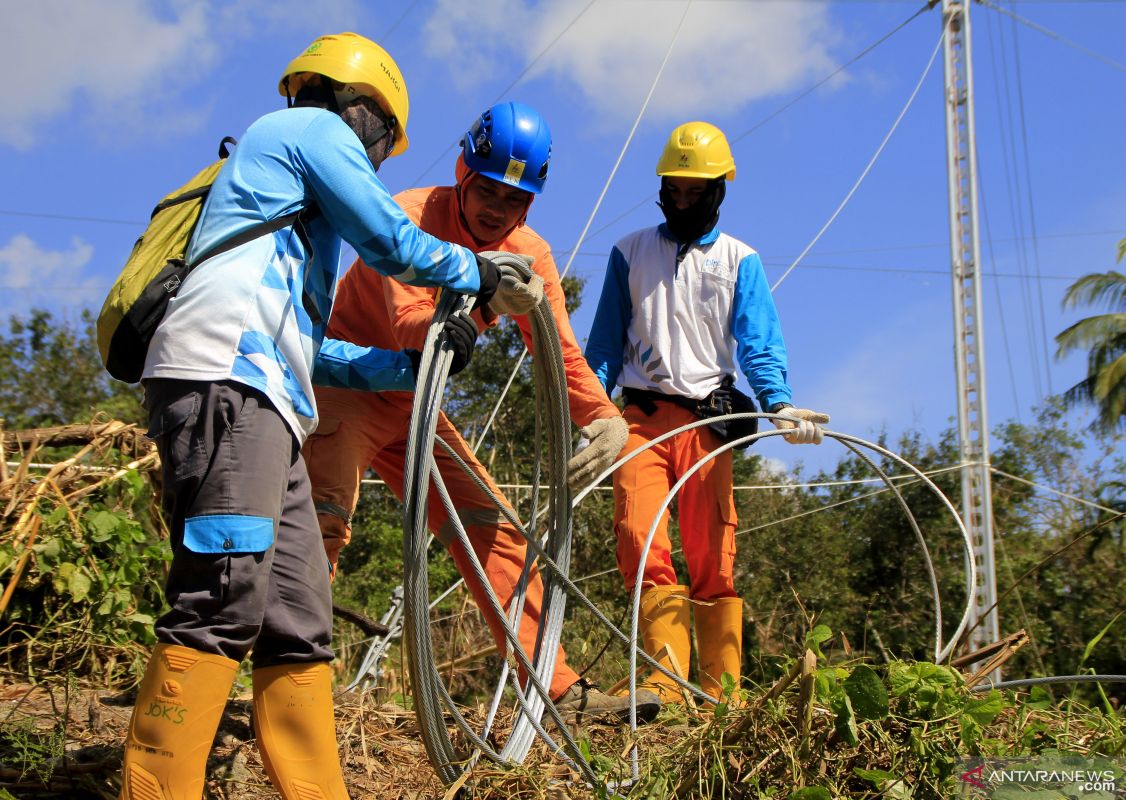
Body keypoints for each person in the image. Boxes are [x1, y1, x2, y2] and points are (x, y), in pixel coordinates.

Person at [119, 33, 524, 800]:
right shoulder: (308, 131)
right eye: (381, 145)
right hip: (224, 384)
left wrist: (409, 368)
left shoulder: (287, 212)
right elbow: (391, 240)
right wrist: (479, 271)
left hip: (267, 399)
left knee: (298, 615)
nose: (374, 162)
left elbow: (314, 351)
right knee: (223, 594)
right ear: (362, 110)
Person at [301, 101, 660, 725]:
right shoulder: (411, 214)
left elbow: (559, 354)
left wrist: (603, 418)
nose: (497, 210)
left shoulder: (531, 254)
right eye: (488, 191)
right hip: (347, 390)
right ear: (463, 174)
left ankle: (556, 692)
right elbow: (411, 323)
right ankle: (287, 676)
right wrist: (474, 290)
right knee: (318, 523)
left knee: (496, 531)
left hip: (417, 405)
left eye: (515, 200)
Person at [584, 121, 829, 705]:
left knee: (713, 555)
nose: (683, 201)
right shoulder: (629, 253)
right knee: (642, 541)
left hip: (707, 425)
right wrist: (591, 412)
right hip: (641, 419)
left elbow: (758, 341)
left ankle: (725, 700)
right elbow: (600, 345)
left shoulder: (740, 261)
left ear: (719, 191)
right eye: (675, 189)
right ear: (663, 188)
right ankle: (662, 690)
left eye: (697, 192)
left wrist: (780, 404)